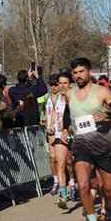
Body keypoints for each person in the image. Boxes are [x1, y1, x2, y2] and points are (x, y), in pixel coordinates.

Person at [61, 58, 111, 221]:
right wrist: (66, 129)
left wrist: (106, 114)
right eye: (75, 72)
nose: (78, 76)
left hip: (103, 146)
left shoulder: (101, 91)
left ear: (89, 72)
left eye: (81, 71)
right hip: (81, 146)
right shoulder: (69, 94)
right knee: (83, 185)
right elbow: (68, 114)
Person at [43, 73, 72, 209]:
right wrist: (51, 124)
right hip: (60, 135)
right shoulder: (56, 98)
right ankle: (62, 194)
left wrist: (67, 125)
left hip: (74, 134)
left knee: (69, 162)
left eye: (64, 83)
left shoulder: (73, 97)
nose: (61, 86)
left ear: (70, 84)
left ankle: (72, 182)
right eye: (59, 83)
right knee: (60, 163)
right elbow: (54, 111)